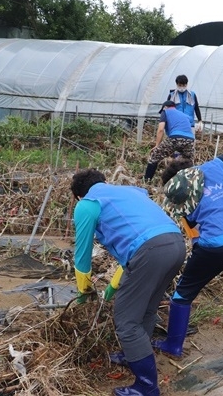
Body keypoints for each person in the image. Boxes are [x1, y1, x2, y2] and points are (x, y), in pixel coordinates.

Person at [154, 121, 223, 367]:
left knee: (183, 295)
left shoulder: (180, 196)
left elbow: (194, 235)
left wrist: (200, 252)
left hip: (215, 245)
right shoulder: (219, 165)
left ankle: (173, 345)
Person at [70, 168, 186, 396]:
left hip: (150, 251)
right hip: (176, 244)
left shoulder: (87, 204)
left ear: (78, 196)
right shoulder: (130, 193)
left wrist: (83, 296)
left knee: (125, 321)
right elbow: (130, 255)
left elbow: (82, 259)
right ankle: (132, 354)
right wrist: (112, 288)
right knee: (146, 310)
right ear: (104, 182)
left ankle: (146, 387)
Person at [144, 98, 195, 182]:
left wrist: (157, 145)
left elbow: (161, 129)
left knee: (154, 156)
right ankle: (189, 184)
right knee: (187, 162)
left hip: (175, 137)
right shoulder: (183, 115)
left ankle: (146, 181)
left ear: (165, 107)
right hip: (190, 139)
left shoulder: (165, 112)